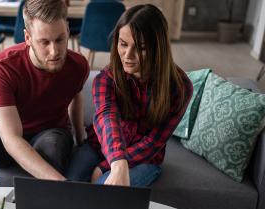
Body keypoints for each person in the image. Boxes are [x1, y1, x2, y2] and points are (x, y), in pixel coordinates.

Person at [0, 0, 90, 187]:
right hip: (6, 135)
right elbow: (11, 138)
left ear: (68, 30)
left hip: (50, 132)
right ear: (28, 37)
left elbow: (76, 96)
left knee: (52, 146)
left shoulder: (78, 65)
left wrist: (80, 140)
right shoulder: (2, 67)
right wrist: (63, 183)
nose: (54, 52)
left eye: (60, 39)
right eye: (44, 42)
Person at [66, 4, 193, 187]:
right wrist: (115, 162)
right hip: (99, 146)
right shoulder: (106, 78)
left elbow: (153, 142)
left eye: (140, 48)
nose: (128, 55)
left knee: (105, 191)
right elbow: (107, 119)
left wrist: (104, 167)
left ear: (159, 48)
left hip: (144, 159)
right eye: (123, 44)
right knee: (65, 186)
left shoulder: (180, 87)